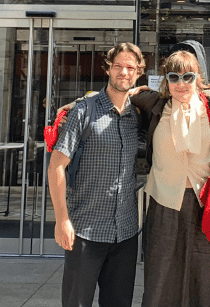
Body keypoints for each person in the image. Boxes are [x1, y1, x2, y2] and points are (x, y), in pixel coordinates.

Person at [134, 44, 210, 307]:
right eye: (174, 77)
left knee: (206, 278)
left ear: (198, 79)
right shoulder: (154, 103)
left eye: (188, 77)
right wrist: (70, 107)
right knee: (161, 275)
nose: (181, 84)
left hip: (205, 203)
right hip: (164, 202)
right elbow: (113, 97)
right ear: (166, 81)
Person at [48, 43, 146, 307]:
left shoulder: (136, 115)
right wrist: (62, 221)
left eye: (130, 68)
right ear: (108, 69)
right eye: (118, 66)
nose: (123, 72)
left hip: (125, 233)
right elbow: (56, 166)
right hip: (85, 232)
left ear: (138, 72)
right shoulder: (83, 110)